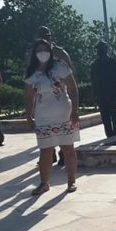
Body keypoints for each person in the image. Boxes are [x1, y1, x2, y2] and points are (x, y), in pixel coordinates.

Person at [25, 39, 80, 195]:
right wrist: (28, 117)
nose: (42, 53)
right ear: (35, 53)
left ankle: (71, 181)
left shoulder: (60, 67)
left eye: (45, 49)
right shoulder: (32, 73)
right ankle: (44, 183)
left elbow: (73, 89)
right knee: (45, 150)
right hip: (43, 117)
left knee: (68, 148)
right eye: (39, 50)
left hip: (64, 114)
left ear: (50, 51)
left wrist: (75, 111)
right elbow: (29, 97)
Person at [36, 26, 73, 165]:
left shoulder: (60, 53)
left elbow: (70, 72)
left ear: (51, 37)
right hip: (43, 99)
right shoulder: (35, 54)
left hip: (60, 97)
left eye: (47, 36)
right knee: (46, 134)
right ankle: (49, 155)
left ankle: (63, 155)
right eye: (42, 36)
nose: (45, 39)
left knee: (63, 132)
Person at [91, 40, 116, 137]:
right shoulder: (94, 65)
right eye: (98, 49)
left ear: (106, 50)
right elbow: (93, 82)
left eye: (101, 49)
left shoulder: (113, 63)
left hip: (112, 95)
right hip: (101, 97)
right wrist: (94, 96)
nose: (99, 51)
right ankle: (109, 138)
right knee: (106, 120)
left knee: (115, 119)